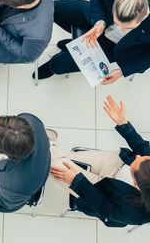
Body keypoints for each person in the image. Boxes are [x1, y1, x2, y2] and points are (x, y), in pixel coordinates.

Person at [49, 95, 150, 227]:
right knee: (60, 157)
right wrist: (123, 123)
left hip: (100, 190)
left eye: (136, 163)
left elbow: (102, 205)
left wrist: (76, 180)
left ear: (136, 183)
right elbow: (142, 147)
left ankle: (38, 144)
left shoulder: (139, 213)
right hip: (115, 163)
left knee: (54, 165)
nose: (137, 156)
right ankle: (42, 145)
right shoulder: (140, 164)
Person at [36, 0, 150, 84]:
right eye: (117, 22)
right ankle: (73, 45)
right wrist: (99, 22)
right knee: (51, 9)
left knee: (57, 65)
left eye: (127, 27)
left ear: (145, 14)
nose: (121, 29)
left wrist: (122, 72)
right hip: (100, 20)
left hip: (116, 45)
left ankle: (65, 52)